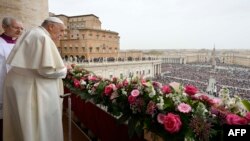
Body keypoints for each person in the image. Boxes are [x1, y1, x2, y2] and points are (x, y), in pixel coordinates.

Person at [3, 17, 67, 141]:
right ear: (51, 27)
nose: (62, 34)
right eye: (62, 30)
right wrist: (64, 70)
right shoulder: (42, 37)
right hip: (29, 89)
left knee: (22, 126)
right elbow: (46, 71)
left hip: (21, 85)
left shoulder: (34, 33)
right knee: (34, 126)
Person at [0, 16, 23, 141]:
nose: (19, 31)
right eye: (16, 28)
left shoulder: (22, 44)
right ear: (4, 27)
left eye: (21, 28)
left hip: (18, 86)